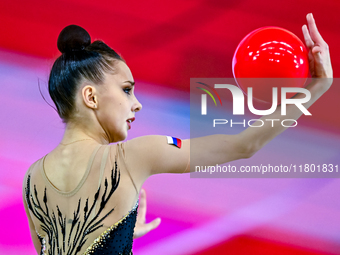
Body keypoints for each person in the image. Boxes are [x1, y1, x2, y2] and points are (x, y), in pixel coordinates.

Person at [22, 13, 332, 255]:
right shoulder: (133, 156)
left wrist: (118, 232)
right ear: (90, 97)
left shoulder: (32, 178)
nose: (137, 104)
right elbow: (244, 144)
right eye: (127, 90)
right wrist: (318, 86)